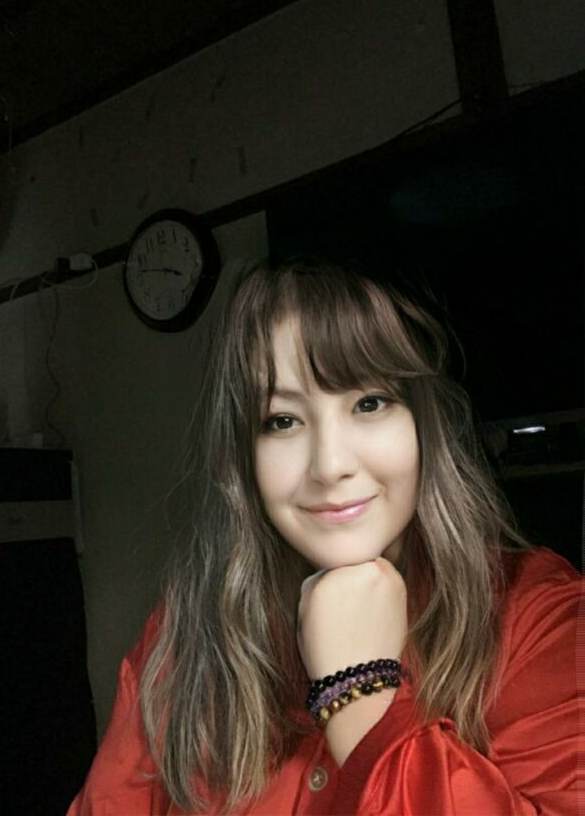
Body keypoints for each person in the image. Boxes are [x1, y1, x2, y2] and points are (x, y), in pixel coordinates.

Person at [68, 255, 580, 815]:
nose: (330, 465)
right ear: (243, 454)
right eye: (282, 421)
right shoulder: (184, 632)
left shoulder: (537, 617)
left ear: (423, 422)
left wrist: (359, 695)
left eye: (369, 403)